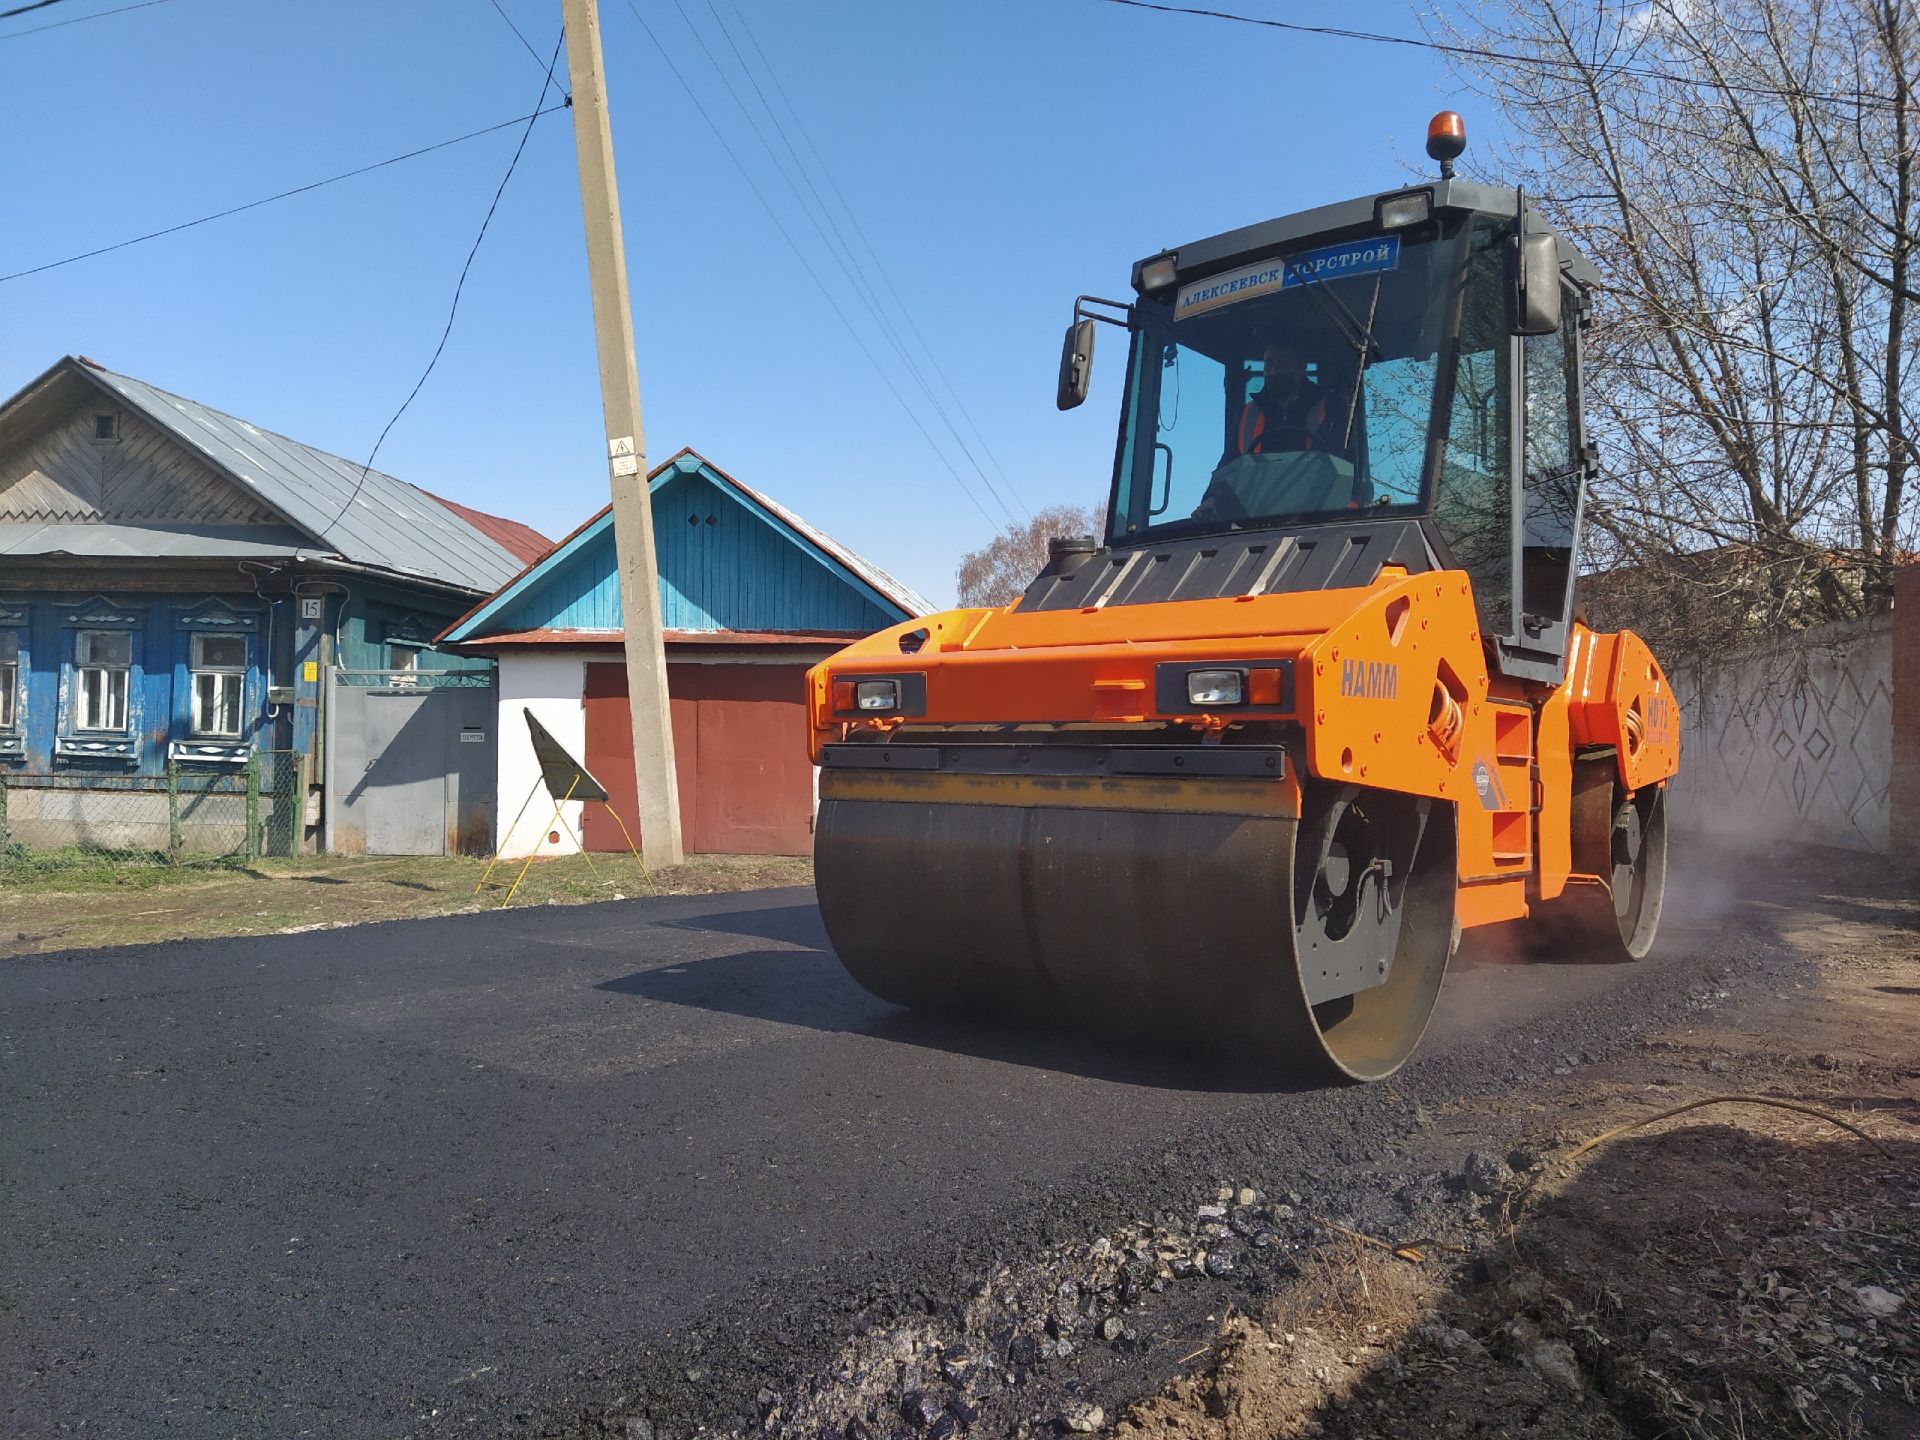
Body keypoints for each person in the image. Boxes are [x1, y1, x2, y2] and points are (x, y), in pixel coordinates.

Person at [1233, 340, 1332, 457]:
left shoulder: (1331, 408)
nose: (1275, 371)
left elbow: (1346, 461)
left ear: (1302, 367)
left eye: (1284, 364)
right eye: (1269, 365)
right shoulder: (1246, 414)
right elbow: (1227, 466)